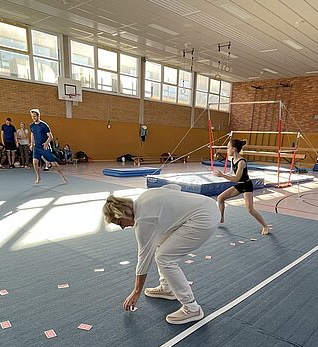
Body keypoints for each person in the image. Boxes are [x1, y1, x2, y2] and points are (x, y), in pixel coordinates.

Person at [102, 186, 220, 324]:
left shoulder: (144, 221)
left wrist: (136, 292)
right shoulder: (144, 197)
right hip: (208, 205)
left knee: (164, 258)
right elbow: (173, 187)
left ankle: (192, 307)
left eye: (119, 223)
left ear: (123, 214)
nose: (122, 227)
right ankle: (167, 288)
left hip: (203, 219)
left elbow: (144, 259)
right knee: (160, 241)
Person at [215, 138, 269, 235]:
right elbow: (235, 177)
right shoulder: (233, 159)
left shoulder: (241, 162)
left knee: (250, 209)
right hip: (240, 184)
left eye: (228, 147)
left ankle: (265, 226)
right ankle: (221, 218)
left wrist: (222, 175)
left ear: (234, 149)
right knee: (220, 198)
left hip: (247, 185)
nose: (227, 150)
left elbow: (236, 178)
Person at [29, 109, 67, 184]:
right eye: (32, 116)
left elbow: (51, 136)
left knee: (53, 164)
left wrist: (46, 143)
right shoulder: (32, 125)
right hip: (37, 147)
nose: (33, 118)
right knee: (35, 162)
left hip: (44, 147)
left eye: (34, 116)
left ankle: (62, 176)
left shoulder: (44, 125)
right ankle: (38, 177)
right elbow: (32, 134)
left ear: (38, 116)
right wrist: (31, 144)